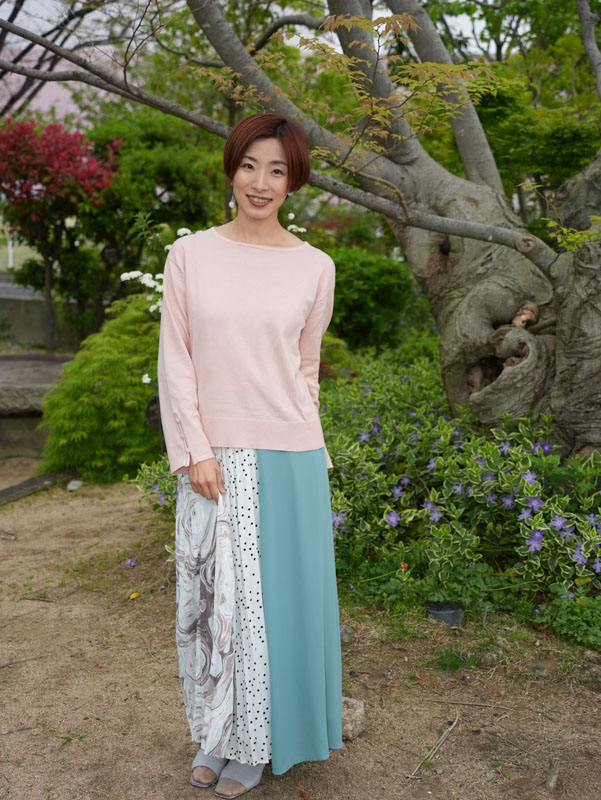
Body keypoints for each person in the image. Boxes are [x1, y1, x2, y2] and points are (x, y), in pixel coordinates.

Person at [157, 112, 343, 799]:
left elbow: (305, 369)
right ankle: (216, 735)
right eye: (249, 166)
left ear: (294, 181)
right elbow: (176, 361)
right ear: (231, 170)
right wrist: (195, 450)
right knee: (215, 608)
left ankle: (258, 745)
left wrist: (310, 454)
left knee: (278, 615)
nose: (260, 183)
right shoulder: (190, 256)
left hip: (292, 457)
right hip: (213, 458)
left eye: (277, 170)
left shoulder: (314, 267)